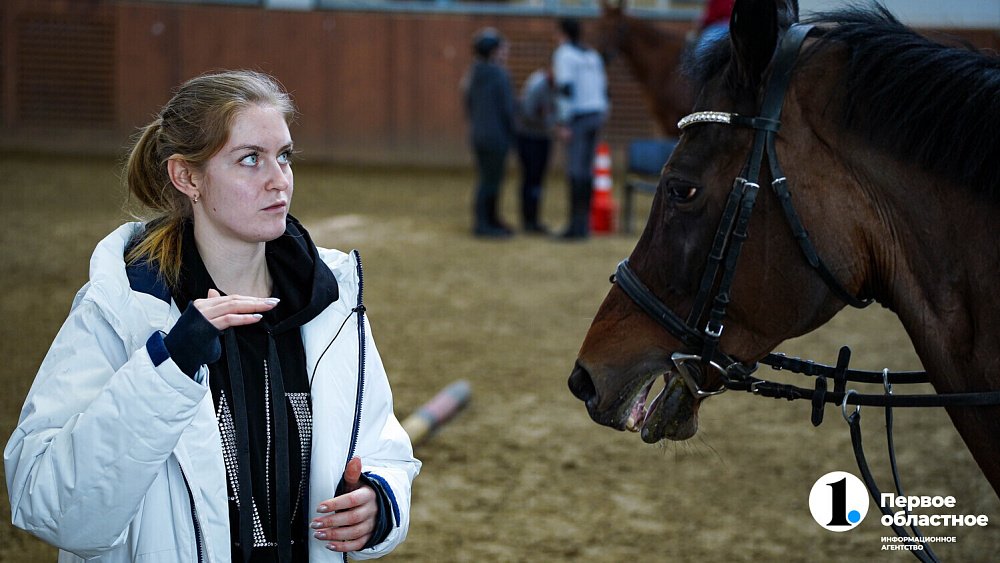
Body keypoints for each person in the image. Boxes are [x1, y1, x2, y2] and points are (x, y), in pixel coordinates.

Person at [3, 70, 420, 563]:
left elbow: (383, 449)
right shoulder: (122, 308)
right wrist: (168, 369)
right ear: (187, 177)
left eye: (284, 156)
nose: (279, 179)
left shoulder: (330, 305)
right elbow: (46, 504)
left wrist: (378, 502)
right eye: (250, 159)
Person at [552, 17, 609, 240]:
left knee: (575, 170)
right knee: (587, 171)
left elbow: (566, 88)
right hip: (597, 113)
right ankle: (584, 223)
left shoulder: (565, 54)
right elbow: (605, 88)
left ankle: (575, 225)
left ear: (562, 33)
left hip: (579, 116)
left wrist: (563, 121)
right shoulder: (592, 55)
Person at [463, 27, 516, 238]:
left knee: (486, 178)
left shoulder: (473, 73)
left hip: (479, 134)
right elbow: (508, 109)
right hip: (497, 136)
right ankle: (484, 223)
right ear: (494, 51)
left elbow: (467, 102)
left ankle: (489, 219)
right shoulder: (500, 75)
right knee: (492, 181)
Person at [514, 67, 556, 234]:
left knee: (538, 179)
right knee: (530, 178)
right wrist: (548, 120)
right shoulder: (537, 85)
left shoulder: (556, 86)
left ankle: (534, 219)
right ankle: (528, 220)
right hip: (529, 137)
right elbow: (527, 112)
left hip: (543, 137)